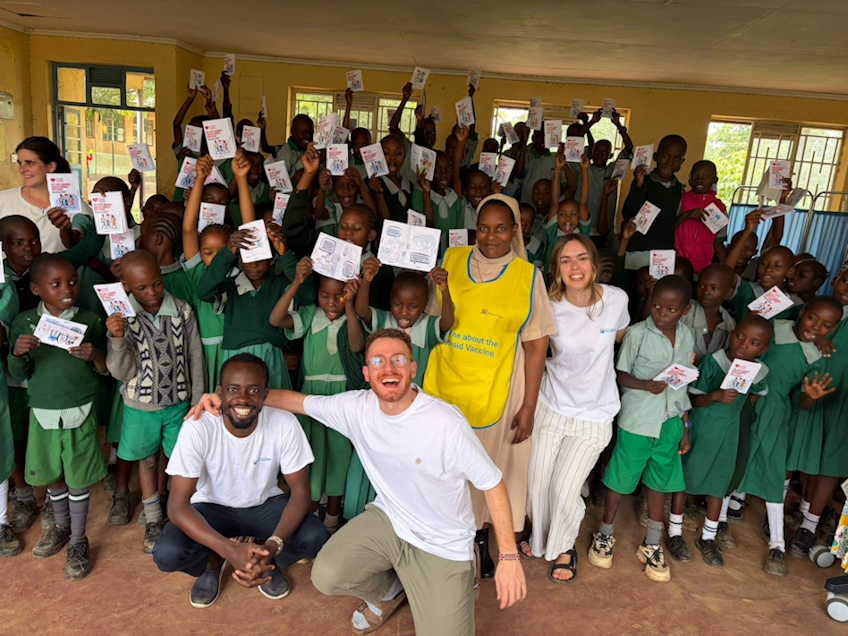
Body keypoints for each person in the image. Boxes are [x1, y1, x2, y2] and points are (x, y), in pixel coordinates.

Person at [187, 328, 527, 635]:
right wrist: (235, 397)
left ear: (412, 369)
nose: (388, 368)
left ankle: (456, 577)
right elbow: (297, 402)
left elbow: (492, 483)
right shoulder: (357, 408)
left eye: (398, 359)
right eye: (378, 361)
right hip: (391, 519)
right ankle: (389, 590)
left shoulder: (445, 424)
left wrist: (509, 556)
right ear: (367, 374)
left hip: (443, 542)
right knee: (328, 574)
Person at [424, 194, 554, 580]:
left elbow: (535, 348)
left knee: (484, 467)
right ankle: (440, 539)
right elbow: (433, 322)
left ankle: (478, 539)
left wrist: (528, 406)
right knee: (440, 464)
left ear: (516, 231)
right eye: (483, 228)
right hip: (445, 380)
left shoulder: (528, 277)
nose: (491, 236)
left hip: (497, 385)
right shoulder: (452, 260)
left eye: (501, 228)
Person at [153, 354, 329, 607]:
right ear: (220, 392)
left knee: (315, 536)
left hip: (264, 505)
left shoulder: (284, 423)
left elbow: (301, 492)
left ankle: (264, 560)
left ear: (265, 393)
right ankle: (212, 562)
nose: (243, 399)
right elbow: (177, 505)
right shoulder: (198, 427)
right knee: (168, 553)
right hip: (211, 507)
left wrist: (271, 546)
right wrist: (227, 550)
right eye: (234, 389)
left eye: (254, 390)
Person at [524, 233, 629, 583]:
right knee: (537, 483)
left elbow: (624, 341)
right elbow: (533, 352)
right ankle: (540, 540)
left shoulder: (616, 300)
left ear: (595, 263)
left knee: (564, 488)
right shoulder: (548, 305)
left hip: (595, 413)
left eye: (582, 258)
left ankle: (564, 546)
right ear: (556, 269)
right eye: (566, 260)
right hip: (552, 406)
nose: (575, 267)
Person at [588, 275, 695, 582]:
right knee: (620, 478)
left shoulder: (687, 337)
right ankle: (605, 534)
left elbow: (684, 384)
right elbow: (619, 375)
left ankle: (651, 543)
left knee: (660, 483)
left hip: (671, 422)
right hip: (637, 421)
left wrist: (685, 426)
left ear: (685, 311)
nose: (661, 313)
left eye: (670, 309)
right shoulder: (636, 334)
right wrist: (646, 385)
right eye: (656, 305)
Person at [8, 254, 108, 580]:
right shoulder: (24, 323)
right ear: (36, 289)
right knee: (53, 473)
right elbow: (18, 371)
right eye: (56, 284)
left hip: (80, 407)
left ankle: (79, 539)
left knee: (78, 475)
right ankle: (61, 528)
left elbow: (105, 370)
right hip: (43, 410)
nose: (67, 289)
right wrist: (18, 353)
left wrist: (94, 355)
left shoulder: (90, 320)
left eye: (72, 281)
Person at [106, 249, 205, 554]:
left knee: (182, 462)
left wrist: (198, 400)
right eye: (141, 288)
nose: (152, 293)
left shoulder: (183, 311)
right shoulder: (121, 320)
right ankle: (153, 519)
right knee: (147, 462)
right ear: (125, 287)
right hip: (141, 408)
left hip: (179, 405)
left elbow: (194, 357)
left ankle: (179, 515)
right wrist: (118, 338)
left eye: (157, 283)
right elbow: (120, 371)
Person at [268, 257, 365, 534]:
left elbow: (357, 345)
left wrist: (350, 306)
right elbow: (276, 319)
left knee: (339, 455)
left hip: (341, 398)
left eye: (340, 295)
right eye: (325, 295)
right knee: (310, 456)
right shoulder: (310, 314)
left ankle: (332, 518)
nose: (332, 302)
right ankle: (309, 519)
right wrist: (297, 282)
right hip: (309, 398)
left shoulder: (352, 315)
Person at [668, 315, 773, 567]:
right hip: (704, 428)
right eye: (740, 336)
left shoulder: (758, 371)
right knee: (686, 477)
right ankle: (675, 532)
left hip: (730, 432)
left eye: (754, 343)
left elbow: (757, 395)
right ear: (732, 332)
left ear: (764, 349)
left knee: (720, 481)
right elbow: (694, 399)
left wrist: (737, 410)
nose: (743, 345)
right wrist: (716, 396)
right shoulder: (715, 362)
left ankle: (709, 536)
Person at [786, 269, 848, 558]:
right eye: (846, 279)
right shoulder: (806, 311)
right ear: (836, 278)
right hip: (805, 393)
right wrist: (814, 337)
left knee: (830, 464)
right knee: (791, 451)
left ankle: (809, 527)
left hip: (840, 400)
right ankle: (776, 509)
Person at [0, 137, 94, 252]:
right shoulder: (3, 200)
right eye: (20, 163)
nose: (22, 169)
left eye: (29, 163)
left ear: (51, 167)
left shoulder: (75, 207)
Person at [620, 134, 687, 272]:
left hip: (664, 254)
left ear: (682, 162)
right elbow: (629, 213)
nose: (669, 163)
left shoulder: (680, 189)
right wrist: (638, 186)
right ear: (655, 157)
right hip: (638, 252)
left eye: (676, 159)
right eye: (665, 156)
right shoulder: (643, 181)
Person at [723, 210, 800, 321]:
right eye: (763, 264)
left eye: (777, 266)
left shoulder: (794, 304)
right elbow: (726, 273)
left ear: (790, 272)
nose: (768, 269)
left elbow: (776, 237)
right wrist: (748, 231)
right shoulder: (747, 290)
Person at [674, 160, 728, 274]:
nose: (699, 180)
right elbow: (667, 228)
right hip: (676, 261)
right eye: (695, 176)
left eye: (706, 176)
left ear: (715, 180)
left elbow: (719, 242)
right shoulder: (681, 199)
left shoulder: (719, 208)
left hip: (703, 266)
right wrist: (686, 215)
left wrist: (727, 269)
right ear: (689, 180)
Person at [680, 263, 737, 365]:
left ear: (728, 292)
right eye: (701, 286)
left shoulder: (730, 326)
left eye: (714, 288)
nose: (706, 292)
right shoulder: (683, 312)